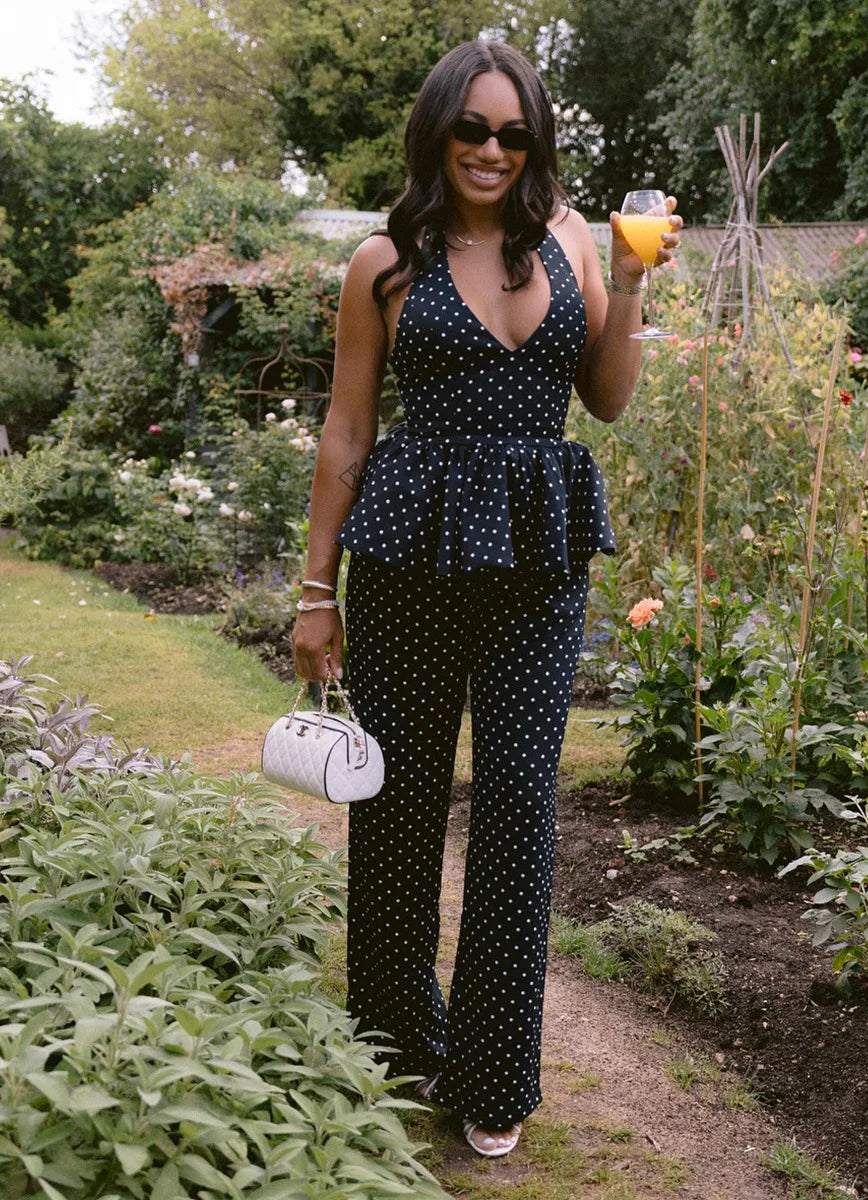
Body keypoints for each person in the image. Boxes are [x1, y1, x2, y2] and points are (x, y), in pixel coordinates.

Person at [292, 38, 680, 1158]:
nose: (494, 151)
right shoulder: (386, 260)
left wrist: (634, 275)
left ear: (535, 142)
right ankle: (395, 1041)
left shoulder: (566, 242)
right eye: (475, 129)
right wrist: (317, 590)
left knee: (518, 798)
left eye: (515, 133)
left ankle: (496, 1070)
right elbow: (349, 429)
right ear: (439, 133)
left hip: (539, 554)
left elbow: (603, 400)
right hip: (412, 545)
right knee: (401, 801)